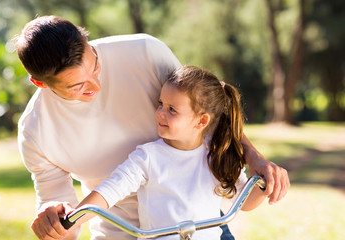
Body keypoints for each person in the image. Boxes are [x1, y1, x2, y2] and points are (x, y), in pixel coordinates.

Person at [15, 15, 289, 240]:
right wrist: (55, 219)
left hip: (198, 225)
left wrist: (255, 160)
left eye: (95, 66)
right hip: (117, 232)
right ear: (40, 84)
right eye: (78, 86)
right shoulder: (35, 131)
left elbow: (204, 110)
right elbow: (68, 217)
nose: (96, 86)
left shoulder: (144, 52)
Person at [61, 65, 267, 240]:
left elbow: (245, 201)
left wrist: (265, 186)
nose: (160, 113)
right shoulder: (148, 157)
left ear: (201, 121)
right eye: (161, 104)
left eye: (172, 110)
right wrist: (71, 219)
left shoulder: (217, 156)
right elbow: (109, 191)